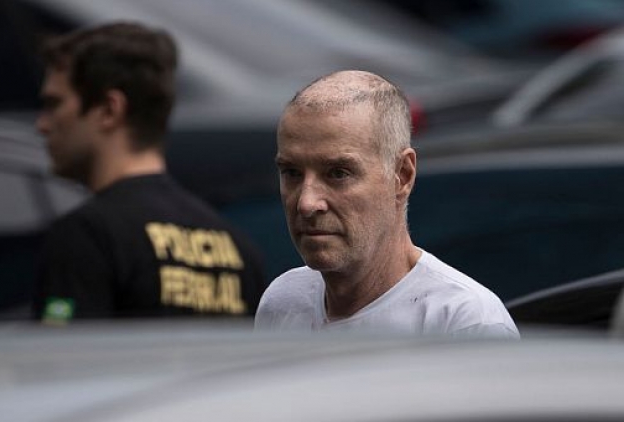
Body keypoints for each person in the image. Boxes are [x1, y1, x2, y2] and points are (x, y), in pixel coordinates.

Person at [255, 70, 519, 339]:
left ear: (402, 175)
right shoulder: (283, 303)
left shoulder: (465, 323)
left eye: (338, 173)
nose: (306, 203)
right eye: (292, 173)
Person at [32, 22, 265, 324]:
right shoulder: (237, 248)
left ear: (109, 110)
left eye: (54, 104)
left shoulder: (86, 236)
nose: (42, 124)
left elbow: (61, 351)